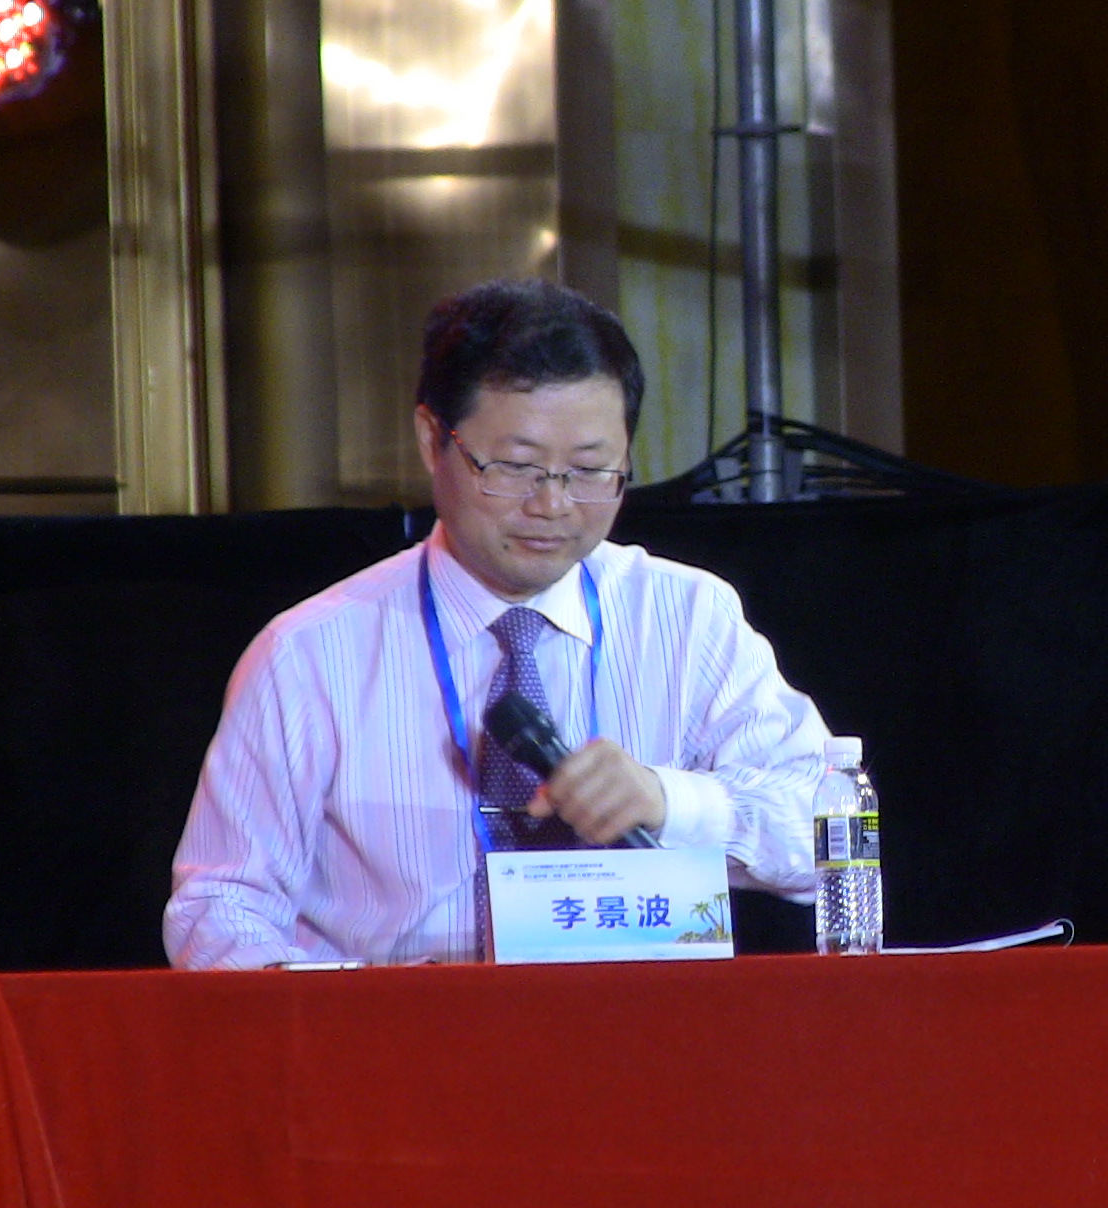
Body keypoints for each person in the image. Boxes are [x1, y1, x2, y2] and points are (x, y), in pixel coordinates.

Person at [165, 279, 830, 969]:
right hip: (398, 1032)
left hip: (639, 1026)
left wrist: (671, 801)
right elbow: (218, 908)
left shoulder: (688, 617)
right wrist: (369, 1007)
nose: (553, 504)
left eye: (591, 470)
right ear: (433, 440)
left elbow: (832, 834)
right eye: (516, 467)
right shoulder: (309, 654)